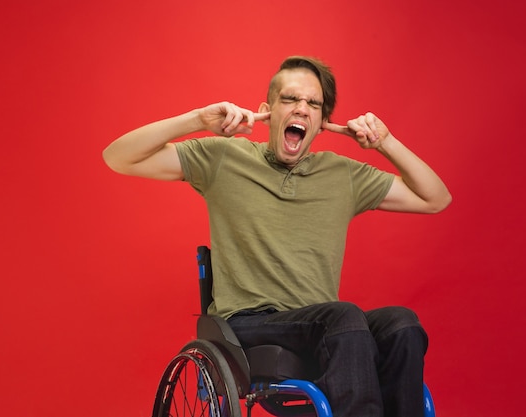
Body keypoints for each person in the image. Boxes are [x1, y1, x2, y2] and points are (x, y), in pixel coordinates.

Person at [103, 56, 451, 417]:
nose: (301, 108)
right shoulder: (223, 158)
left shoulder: (343, 175)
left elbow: (435, 198)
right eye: (290, 99)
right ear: (266, 112)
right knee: (343, 318)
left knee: (402, 323)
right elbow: (119, 157)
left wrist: (386, 142)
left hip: (322, 325)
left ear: (322, 123)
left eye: (313, 104)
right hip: (247, 323)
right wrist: (198, 120)